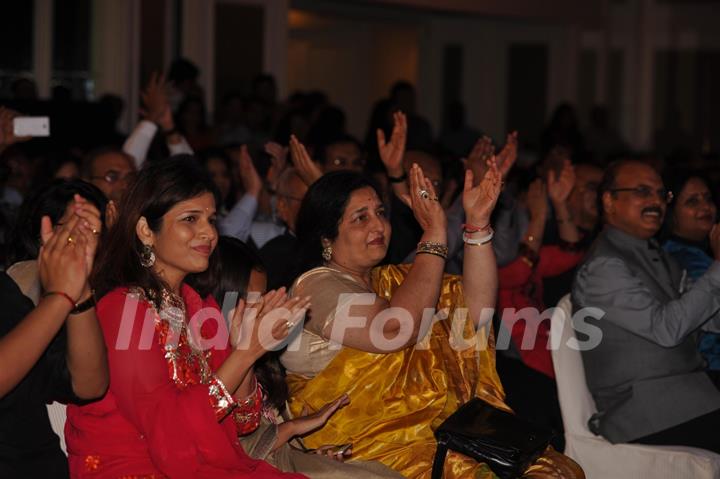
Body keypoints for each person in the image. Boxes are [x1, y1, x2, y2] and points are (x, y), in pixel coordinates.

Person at [281, 137, 582, 476]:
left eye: (380, 212)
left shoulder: (396, 280)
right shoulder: (316, 285)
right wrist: (434, 236)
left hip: (432, 438)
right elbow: (393, 330)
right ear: (325, 236)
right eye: (359, 218)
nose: (378, 224)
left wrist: (478, 222)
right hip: (365, 450)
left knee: (557, 470)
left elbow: (476, 311)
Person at [66, 157, 309, 478]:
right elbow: (170, 431)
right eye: (190, 219)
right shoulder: (123, 309)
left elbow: (242, 422)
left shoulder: (197, 306)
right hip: (131, 467)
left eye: (210, 219)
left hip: (194, 464)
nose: (208, 232)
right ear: (145, 231)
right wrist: (246, 351)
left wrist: (246, 353)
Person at [189, 236, 401, 478]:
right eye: (253, 304)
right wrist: (290, 430)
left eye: (265, 300)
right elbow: (229, 450)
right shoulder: (206, 362)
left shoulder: (259, 355)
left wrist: (307, 451)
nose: (265, 311)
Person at [572, 160, 720, 451]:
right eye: (642, 192)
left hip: (688, 397)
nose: (655, 202)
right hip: (645, 413)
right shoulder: (604, 266)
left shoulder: (656, 255)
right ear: (609, 200)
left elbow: (704, 319)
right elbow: (667, 329)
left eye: (660, 193)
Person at [0, 180, 108, 478]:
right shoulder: (22, 277)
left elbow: (88, 384)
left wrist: (80, 291)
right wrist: (60, 297)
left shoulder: (4, 291)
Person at [662, 173, 720, 382]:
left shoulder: (705, 252)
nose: (705, 207)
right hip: (706, 374)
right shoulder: (676, 260)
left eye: (708, 198)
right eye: (692, 201)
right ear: (671, 213)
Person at [259, 168, 308, 290]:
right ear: (283, 206)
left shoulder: (335, 246)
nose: (316, 207)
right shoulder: (276, 255)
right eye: (307, 200)